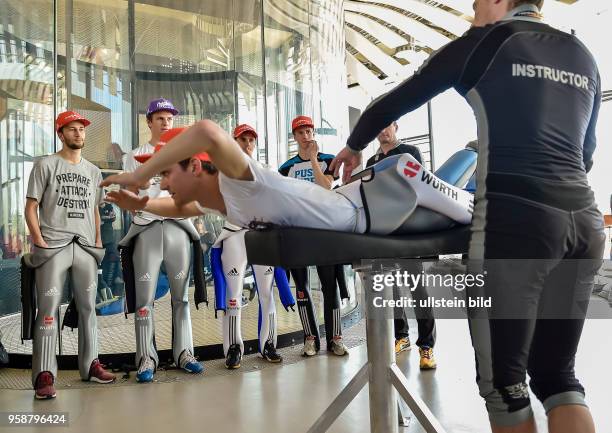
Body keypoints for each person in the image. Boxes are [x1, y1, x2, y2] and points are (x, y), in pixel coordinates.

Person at [331, 1, 604, 432]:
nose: (473, 7)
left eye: (477, 0)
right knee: (559, 378)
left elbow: (394, 101)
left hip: (517, 224)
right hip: (584, 224)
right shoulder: (582, 54)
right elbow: (585, 155)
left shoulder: (482, 44)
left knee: (505, 387)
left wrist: (353, 145)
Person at [24, 111, 116, 399]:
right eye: (72, 129)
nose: (78, 133)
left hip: (86, 248)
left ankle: (90, 365)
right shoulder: (46, 165)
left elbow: (95, 212)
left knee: (89, 309)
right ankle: (44, 374)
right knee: (49, 311)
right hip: (54, 246)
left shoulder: (93, 171)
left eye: (82, 129)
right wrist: (41, 242)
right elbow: (31, 208)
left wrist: (98, 242)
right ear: (60, 133)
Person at [121, 98, 203, 383]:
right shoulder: (135, 154)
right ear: (149, 121)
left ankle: (185, 353)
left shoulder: (183, 153)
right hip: (147, 228)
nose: (166, 122)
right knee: (145, 299)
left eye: (169, 118)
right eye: (160, 118)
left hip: (179, 227)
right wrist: (138, 187)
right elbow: (128, 200)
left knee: (180, 297)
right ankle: (146, 357)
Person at [211, 124, 294, 368]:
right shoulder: (222, 172)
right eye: (243, 139)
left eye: (251, 140)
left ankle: (268, 344)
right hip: (234, 235)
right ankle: (233, 348)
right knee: (234, 294)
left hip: (261, 236)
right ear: (234, 142)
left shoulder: (265, 171)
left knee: (267, 293)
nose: (248, 144)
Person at [365, 121, 436, 369]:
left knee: (418, 290)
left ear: (396, 126)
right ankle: (401, 337)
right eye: (379, 126)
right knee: (391, 290)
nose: (383, 130)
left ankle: (426, 347)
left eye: (387, 125)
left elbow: (421, 186)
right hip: (384, 232)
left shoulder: (410, 153)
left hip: (408, 229)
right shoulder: (371, 161)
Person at [278, 115, 349, 357]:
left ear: (313, 133)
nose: (306, 136)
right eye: (301, 132)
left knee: (330, 286)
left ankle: (335, 338)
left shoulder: (329, 160)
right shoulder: (285, 168)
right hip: (299, 232)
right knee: (301, 287)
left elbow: (326, 187)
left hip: (324, 230)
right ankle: (310, 338)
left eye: (309, 131)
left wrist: (313, 161)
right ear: (295, 136)